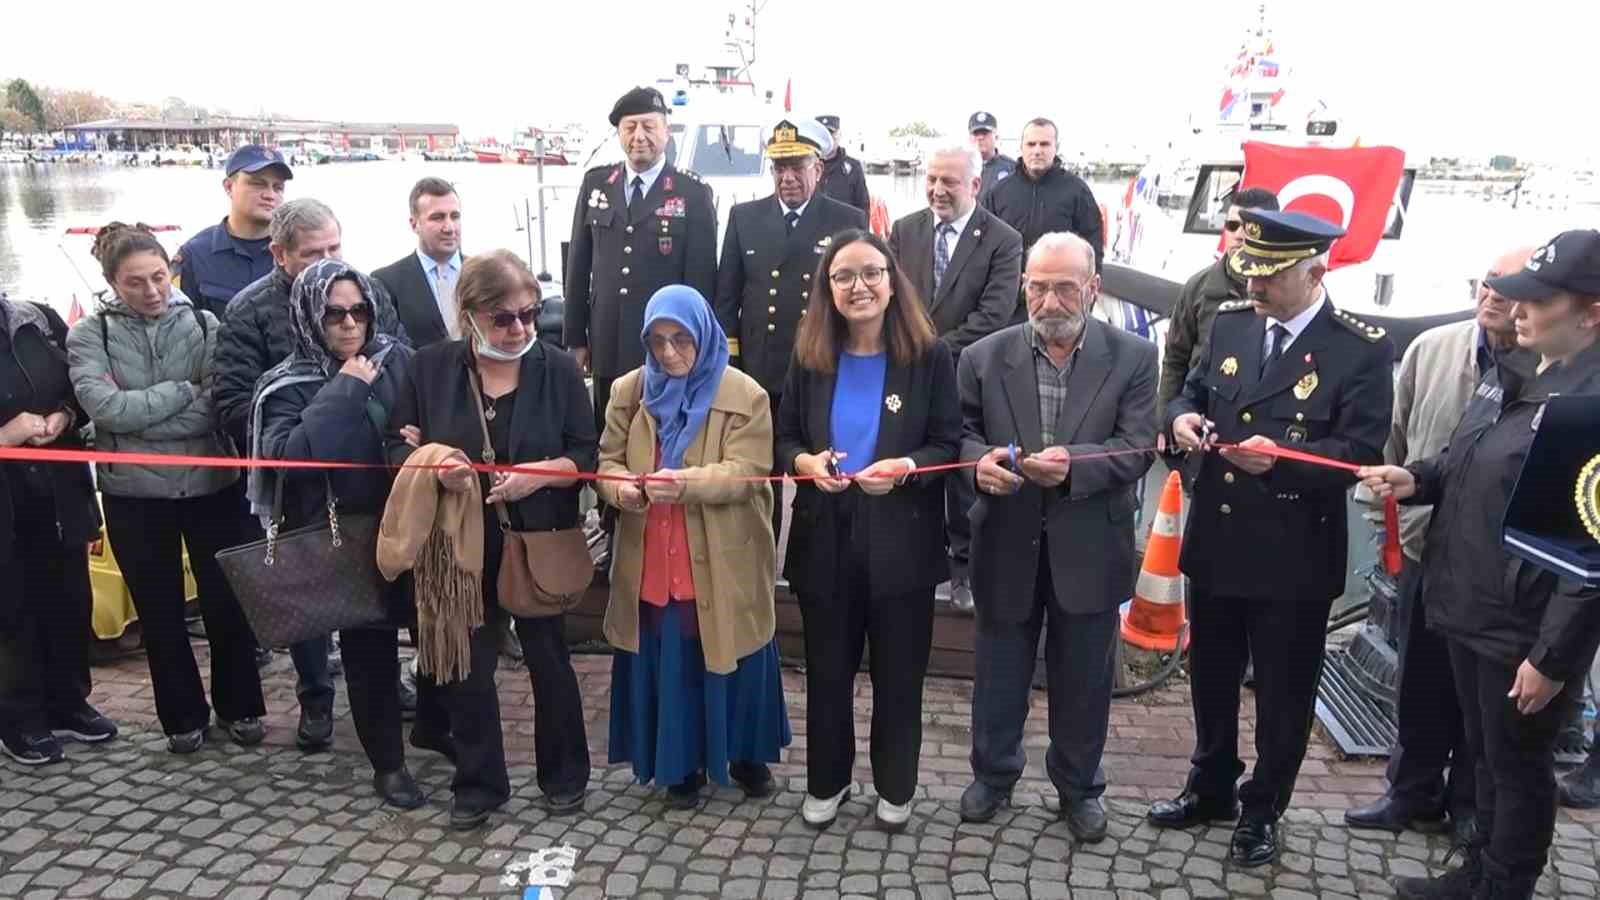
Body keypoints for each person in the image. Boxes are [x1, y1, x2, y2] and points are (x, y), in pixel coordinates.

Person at [1361, 229, 1600, 900]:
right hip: (1464, 601)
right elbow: (1470, 466)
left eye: (1536, 301)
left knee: (1517, 769)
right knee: (1485, 757)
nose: (1516, 311)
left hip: (1520, 629)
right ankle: (1478, 871)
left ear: (1591, 313)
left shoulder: (1587, 408)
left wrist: (1552, 660)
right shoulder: (1517, 374)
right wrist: (1418, 479)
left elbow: (1589, 559)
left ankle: (1504, 885)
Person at [1154, 210, 1394, 868]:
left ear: (1315, 270)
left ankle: (1263, 807)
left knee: (1284, 694)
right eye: (1250, 272)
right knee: (1210, 675)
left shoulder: (1359, 348)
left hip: (1294, 549)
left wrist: (1284, 462)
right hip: (1219, 538)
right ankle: (1210, 785)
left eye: (1271, 276)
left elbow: (1359, 450)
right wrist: (1182, 420)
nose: (1255, 287)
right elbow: (1189, 391)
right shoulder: (1232, 321)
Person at [954, 232, 1157, 843]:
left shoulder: (1134, 357)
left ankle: (1078, 786)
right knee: (998, 673)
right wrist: (976, 465)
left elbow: (1139, 445)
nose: (1049, 301)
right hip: (1006, 538)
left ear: (1092, 289)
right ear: (1024, 287)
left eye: (1064, 287)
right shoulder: (983, 358)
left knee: (1084, 680)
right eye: (1037, 287)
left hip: (1090, 543)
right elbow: (958, 435)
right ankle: (993, 773)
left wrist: (1077, 466)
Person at [386, 249, 595, 830]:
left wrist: (540, 473)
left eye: (530, 314)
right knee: (466, 667)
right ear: (470, 314)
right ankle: (478, 783)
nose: (521, 328)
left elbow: (586, 453)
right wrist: (432, 463)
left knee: (550, 661)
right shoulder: (430, 368)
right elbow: (397, 447)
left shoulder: (556, 368)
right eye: (504, 318)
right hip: (457, 542)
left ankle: (565, 775)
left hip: (537, 537)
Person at [1344, 245, 1534, 842]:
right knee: (1420, 684)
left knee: (1485, 702)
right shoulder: (1433, 350)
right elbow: (1398, 443)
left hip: (1506, 573)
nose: (1492, 296)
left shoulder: (1551, 372)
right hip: (1426, 550)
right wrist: (1384, 522)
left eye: (1511, 287)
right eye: (1486, 281)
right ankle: (1412, 793)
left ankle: (1472, 810)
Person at [776, 230, 959, 830]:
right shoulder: (808, 355)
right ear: (827, 289)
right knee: (828, 671)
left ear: (891, 280)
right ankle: (827, 780)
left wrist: (906, 468)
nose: (859, 287)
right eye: (844, 276)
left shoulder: (929, 356)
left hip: (902, 538)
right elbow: (785, 439)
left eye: (871, 273)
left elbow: (947, 443)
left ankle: (895, 785)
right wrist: (804, 464)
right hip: (825, 534)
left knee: (899, 674)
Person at [213, 198, 410, 752]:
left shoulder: (370, 308)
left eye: (334, 248)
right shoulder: (250, 313)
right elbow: (240, 403)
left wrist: (401, 442)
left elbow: (398, 380)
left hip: (379, 505)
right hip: (309, 499)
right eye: (312, 253)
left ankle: (392, 698)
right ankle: (317, 698)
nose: (350, 322)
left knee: (374, 623)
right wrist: (325, 397)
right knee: (314, 603)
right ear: (279, 255)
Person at [66, 223, 267, 755]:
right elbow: (104, 408)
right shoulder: (91, 335)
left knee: (226, 603)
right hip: (135, 497)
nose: (152, 291)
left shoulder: (205, 325)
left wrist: (139, 419)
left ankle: (240, 704)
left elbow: (215, 402)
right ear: (111, 282)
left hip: (211, 485)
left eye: (159, 277)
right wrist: (181, 392)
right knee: (160, 613)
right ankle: (181, 715)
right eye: (135, 283)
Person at [596, 285, 790, 811]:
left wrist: (684, 482)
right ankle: (677, 763)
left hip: (722, 555)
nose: (668, 353)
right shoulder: (628, 392)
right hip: (654, 552)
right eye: (656, 341)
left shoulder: (744, 394)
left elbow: (747, 472)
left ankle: (746, 754)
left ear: (703, 335)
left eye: (680, 339)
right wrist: (623, 488)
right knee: (671, 654)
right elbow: (607, 463)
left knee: (732, 646)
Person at [254, 258, 424, 809]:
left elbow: (436, 420)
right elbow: (288, 461)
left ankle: (437, 726)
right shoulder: (286, 385)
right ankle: (388, 764)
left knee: (440, 633)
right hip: (344, 536)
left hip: (413, 525)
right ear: (309, 317)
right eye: (334, 315)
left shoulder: (400, 361)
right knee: (368, 653)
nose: (350, 325)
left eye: (360, 311)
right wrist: (343, 392)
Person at [715, 117, 867, 546]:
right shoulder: (744, 217)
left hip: (821, 371)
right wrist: (731, 366)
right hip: (758, 374)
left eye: (797, 166)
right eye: (779, 168)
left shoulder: (847, 220)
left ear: (818, 168)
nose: (788, 178)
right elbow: (727, 298)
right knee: (756, 476)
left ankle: (811, 563)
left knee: (816, 475)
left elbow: (861, 302)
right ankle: (755, 558)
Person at [889, 145, 1024, 613]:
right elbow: (892, 300)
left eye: (949, 182)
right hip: (910, 372)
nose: (938, 190)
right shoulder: (905, 230)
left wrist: (931, 350)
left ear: (974, 185)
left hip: (972, 373)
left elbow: (996, 314)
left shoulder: (1004, 240)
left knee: (965, 471)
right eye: (931, 179)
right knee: (915, 463)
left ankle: (964, 569)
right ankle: (917, 558)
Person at [565, 86, 717, 442]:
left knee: (659, 434)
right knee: (609, 434)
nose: (639, 137)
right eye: (630, 127)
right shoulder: (596, 184)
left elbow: (701, 279)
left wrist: (694, 344)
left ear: (666, 131)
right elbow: (578, 266)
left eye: (649, 126)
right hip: (606, 337)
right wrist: (575, 337)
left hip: (665, 341)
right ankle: (611, 496)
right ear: (618, 133)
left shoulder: (692, 192)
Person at [0, 296, 114, 766]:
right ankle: (19, 720)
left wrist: (64, 417)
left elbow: (82, 389)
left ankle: (68, 701)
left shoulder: (38, 320)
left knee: (68, 600)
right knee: (11, 610)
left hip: (58, 492)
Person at [1158, 187, 1280, 431]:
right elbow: (1175, 358)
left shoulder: (1286, 292)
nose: (1238, 235)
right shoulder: (1199, 287)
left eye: (1249, 227)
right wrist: (1166, 420)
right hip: (1202, 417)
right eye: (1232, 226)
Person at [173, 145, 291, 320]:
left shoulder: (295, 252)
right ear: (229, 187)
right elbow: (175, 325)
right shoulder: (195, 255)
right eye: (258, 184)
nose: (270, 195)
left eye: (278, 187)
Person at [981, 118, 1103, 275]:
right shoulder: (999, 192)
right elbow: (983, 243)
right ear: (1021, 148)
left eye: (1044, 144)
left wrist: (1092, 284)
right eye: (1031, 144)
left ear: (1056, 147)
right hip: (1009, 287)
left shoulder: (1077, 191)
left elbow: (1093, 242)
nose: (1037, 151)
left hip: (1058, 286)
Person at [374, 177, 465, 348]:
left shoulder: (486, 274)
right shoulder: (386, 282)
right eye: (437, 218)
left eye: (455, 216)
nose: (449, 227)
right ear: (414, 224)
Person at [815, 115, 870, 213]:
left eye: (831, 133)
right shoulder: (807, 167)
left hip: (845, 227)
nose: (827, 137)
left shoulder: (853, 168)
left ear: (839, 135)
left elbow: (863, 208)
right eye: (822, 134)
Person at [968, 111, 1014, 199]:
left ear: (996, 136)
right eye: (975, 133)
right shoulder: (961, 167)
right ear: (969, 138)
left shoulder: (1011, 168)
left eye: (985, 133)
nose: (980, 138)